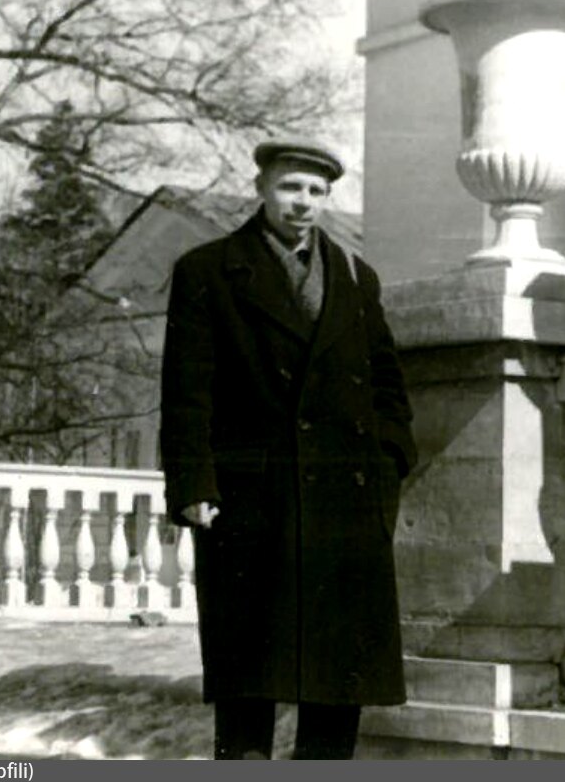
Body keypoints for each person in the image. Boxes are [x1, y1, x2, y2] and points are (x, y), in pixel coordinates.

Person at [158, 139, 418, 760]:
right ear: (261, 188)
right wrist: (194, 482)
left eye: (316, 191)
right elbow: (186, 389)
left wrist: (387, 464)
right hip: (251, 500)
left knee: (337, 679)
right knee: (250, 673)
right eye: (289, 187)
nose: (303, 202)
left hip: (345, 504)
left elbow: (387, 384)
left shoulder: (355, 276)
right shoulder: (209, 271)